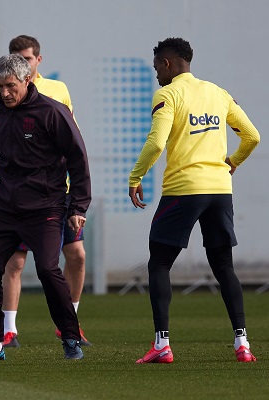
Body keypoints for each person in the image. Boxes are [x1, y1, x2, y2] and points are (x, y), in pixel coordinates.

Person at [129, 37, 260, 364]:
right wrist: (232, 163)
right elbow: (252, 136)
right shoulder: (218, 93)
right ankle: (242, 343)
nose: (156, 73)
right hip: (219, 190)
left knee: (159, 263)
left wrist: (136, 176)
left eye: (157, 66)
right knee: (224, 266)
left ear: (168, 63)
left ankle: (162, 344)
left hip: (184, 189)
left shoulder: (168, 93)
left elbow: (157, 142)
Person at [0, 54, 91, 361]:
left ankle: (70, 336)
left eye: (10, 86)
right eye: (0, 86)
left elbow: (78, 158)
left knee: (47, 269)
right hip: (5, 209)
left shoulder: (53, 112)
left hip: (46, 208)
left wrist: (78, 205)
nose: (4, 93)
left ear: (27, 80)